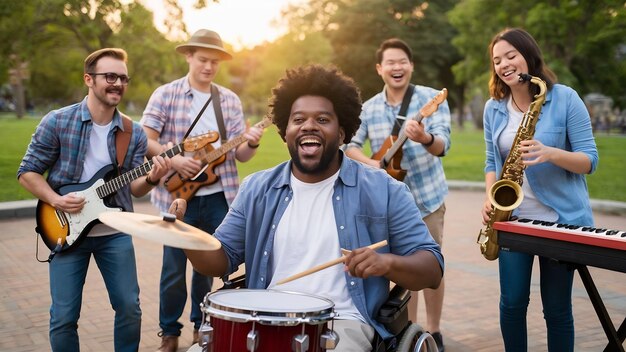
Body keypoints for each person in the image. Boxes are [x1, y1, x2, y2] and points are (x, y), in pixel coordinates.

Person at [179, 64, 444, 351]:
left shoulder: (384, 189)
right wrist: (181, 234)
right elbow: (221, 259)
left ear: (342, 133)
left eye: (322, 119)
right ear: (285, 131)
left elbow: (432, 268)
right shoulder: (257, 189)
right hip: (265, 321)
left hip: (342, 323)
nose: (308, 126)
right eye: (298, 119)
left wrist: (387, 263)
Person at [17, 48, 171, 352]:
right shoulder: (58, 121)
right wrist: (56, 200)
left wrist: (153, 177)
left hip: (114, 232)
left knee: (130, 308)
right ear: (89, 79)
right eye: (110, 76)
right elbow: (27, 172)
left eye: (123, 78)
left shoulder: (133, 132)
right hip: (64, 230)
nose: (118, 83)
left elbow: (135, 189)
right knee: (63, 317)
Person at [140, 29, 264, 352]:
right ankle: (169, 332)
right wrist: (176, 159)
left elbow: (240, 154)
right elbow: (146, 139)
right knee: (172, 270)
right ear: (189, 56)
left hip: (220, 198)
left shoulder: (229, 101)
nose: (209, 67)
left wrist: (251, 143)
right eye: (203, 60)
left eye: (214, 62)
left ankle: (201, 326)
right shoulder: (166, 94)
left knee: (207, 267)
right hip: (176, 198)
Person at [481, 28, 598, 351]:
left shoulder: (565, 98)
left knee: (558, 310)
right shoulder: (494, 107)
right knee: (512, 304)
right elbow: (491, 160)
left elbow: (590, 160)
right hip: (514, 220)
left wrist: (551, 153)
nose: (504, 64)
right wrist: (490, 196)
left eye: (510, 55)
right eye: (497, 60)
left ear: (528, 55)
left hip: (561, 221)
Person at [344, 38, 450, 351]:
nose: (397, 67)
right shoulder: (370, 107)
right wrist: (373, 164)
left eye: (402, 61)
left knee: (430, 265)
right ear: (380, 69)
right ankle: (409, 332)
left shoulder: (429, 99)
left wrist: (425, 137)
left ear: (411, 65)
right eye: (390, 62)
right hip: (387, 202)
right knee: (402, 268)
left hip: (427, 199)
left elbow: (443, 144)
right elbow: (349, 146)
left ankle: (434, 329)